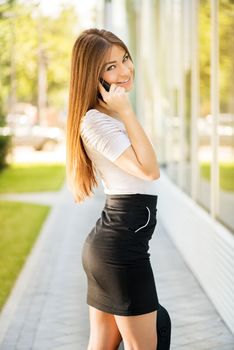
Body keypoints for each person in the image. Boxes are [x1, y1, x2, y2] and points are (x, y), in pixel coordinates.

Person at [66, 28, 171, 350]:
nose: (125, 71)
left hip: (113, 247)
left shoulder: (107, 116)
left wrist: (123, 111)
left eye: (125, 59)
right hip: (120, 251)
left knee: (104, 343)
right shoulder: (98, 121)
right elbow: (149, 170)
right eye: (111, 67)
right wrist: (127, 110)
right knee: (153, 334)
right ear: (92, 75)